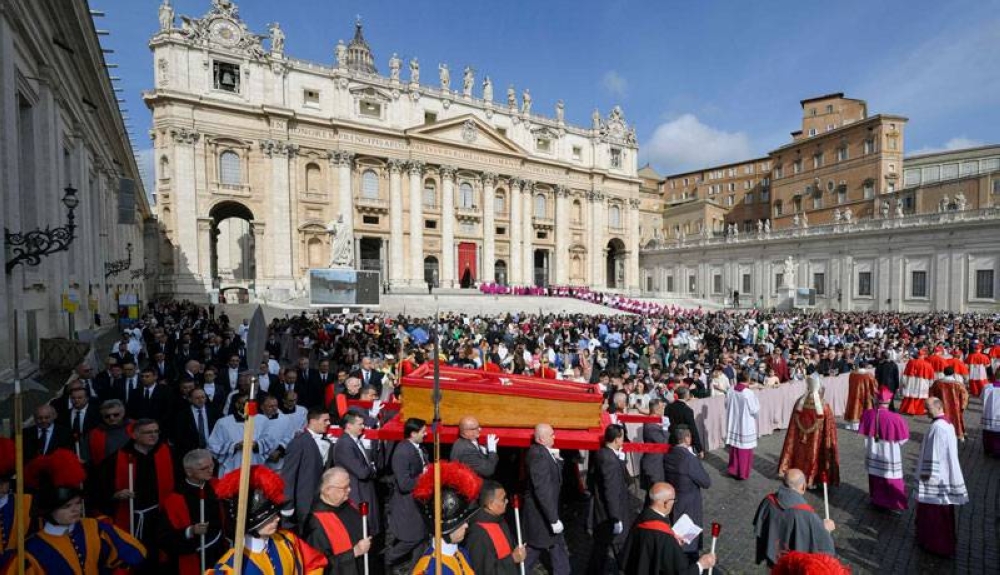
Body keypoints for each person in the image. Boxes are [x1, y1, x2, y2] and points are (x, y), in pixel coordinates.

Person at [14, 449, 146, 574]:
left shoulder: (95, 527)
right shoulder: (31, 550)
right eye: (67, 506)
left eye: (78, 503)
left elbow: (134, 551)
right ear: (48, 510)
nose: (76, 509)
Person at [208, 465, 327, 574]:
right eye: (269, 518)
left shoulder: (287, 539)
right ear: (252, 524)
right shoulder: (229, 567)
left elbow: (314, 564)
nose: (277, 519)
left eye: (275, 514)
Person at [98, 418, 175, 574]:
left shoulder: (166, 453)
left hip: (159, 516)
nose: (153, 436)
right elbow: (99, 487)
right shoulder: (118, 458)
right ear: (134, 435)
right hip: (132, 517)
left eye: (156, 431)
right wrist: (116, 494)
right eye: (148, 432)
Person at [620, 482, 717, 574]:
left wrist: (673, 541)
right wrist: (701, 565)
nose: (674, 503)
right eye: (674, 500)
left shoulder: (643, 516)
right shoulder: (665, 538)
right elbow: (680, 572)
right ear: (665, 503)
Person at [915, 397, 969, 557]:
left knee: (935, 515)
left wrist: (927, 477)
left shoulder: (938, 428)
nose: (925, 412)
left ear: (938, 407)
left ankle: (936, 544)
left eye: (928, 409)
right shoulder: (947, 423)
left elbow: (935, 455)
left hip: (936, 478)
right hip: (944, 476)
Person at [159, 449, 226, 574]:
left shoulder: (217, 485)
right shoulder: (175, 499)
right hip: (194, 555)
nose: (210, 470)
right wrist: (191, 531)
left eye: (211, 465)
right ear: (189, 472)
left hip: (219, 550)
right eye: (203, 468)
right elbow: (165, 537)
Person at [753, 469, 836, 566]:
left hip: (773, 563)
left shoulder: (767, 501)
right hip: (793, 566)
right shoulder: (807, 514)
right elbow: (820, 544)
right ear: (803, 487)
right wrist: (825, 528)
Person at [410, 461, 481, 574]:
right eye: (460, 523)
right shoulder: (429, 568)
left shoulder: (461, 553)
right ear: (446, 529)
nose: (466, 525)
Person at [301, 467, 371, 575]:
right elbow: (320, 564)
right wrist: (354, 552)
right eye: (344, 487)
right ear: (328, 490)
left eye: (349, 485)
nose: (349, 490)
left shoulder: (346, 504)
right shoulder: (315, 523)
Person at [586, 424, 636, 575]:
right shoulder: (610, 461)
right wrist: (616, 518)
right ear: (616, 439)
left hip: (603, 514)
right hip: (612, 514)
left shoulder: (602, 454)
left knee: (600, 550)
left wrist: (620, 460)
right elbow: (612, 492)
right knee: (619, 548)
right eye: (622, 437)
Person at [522, 423, 571, 575]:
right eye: (551, 435)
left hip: (545, 512)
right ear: (542, 439)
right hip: (541, 514)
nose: (554, 436)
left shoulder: (542, 452)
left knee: (554, 545)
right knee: (535, 548)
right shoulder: (538, 456)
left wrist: (558, 461)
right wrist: (553, 519)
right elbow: (542, 490)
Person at [777, 373, 839, 489]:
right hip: (816, 439)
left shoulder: (799, 402)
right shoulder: (823, 406)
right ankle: (813, 479)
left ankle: (797, 476)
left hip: (800, 438)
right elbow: (829, 429)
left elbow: (792, 427)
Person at [385, 418, 429, 574]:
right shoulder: (402, 451)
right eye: (423, 431)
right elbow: (404, 484)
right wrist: (424, 476)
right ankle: (388, 560)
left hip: (418, 504)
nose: (426, 434)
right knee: (412, 539)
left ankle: (415, 570)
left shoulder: (418, 448)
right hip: (407, 505)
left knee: (421, 540)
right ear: (413, 433)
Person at [663, 426, 711, 559]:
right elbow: (706, 482)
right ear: (687, 439)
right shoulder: (689, 459)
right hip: (689, 505)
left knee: (676, 536)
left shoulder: (669, 454)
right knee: (689, 544)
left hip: (674, 501)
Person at [281, 407, 334, 528]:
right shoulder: (298, 443)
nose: (329, 423)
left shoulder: (328, 442)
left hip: (323, 503)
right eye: (325, 420)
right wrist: (287, 506)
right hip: (303, 505)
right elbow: (288, 477)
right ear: (313, 421)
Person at [858, 388, 909, 510]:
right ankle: (894, 503)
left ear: (876, 400)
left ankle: (877, 500)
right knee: (891, 479)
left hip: (873, 452)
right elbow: (903, 440)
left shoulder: (867, 414)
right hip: (890, 455)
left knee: (876, 477)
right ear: (889, 400)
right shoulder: (896, 418)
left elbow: (864, 432)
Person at [332, 411, 381, 537]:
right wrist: (372, 468)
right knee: (361, 532)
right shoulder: (345, 444)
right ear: (349, 426)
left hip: (364, 492)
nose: (363, 427)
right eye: (360, 424)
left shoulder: (354, 442)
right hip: (357, 494)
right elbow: (362, 472)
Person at [465, 480, 527, 574]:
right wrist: (512, 559)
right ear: (490, 505)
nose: (507, 501)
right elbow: (485, 571)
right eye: (503, 499)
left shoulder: (499, 519)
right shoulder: (478, 535)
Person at [208, 394, 271, 476]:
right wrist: (235, 446)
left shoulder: (262, 420)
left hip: (254, 463)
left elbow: (270, 441)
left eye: (251, 402)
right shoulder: (223, 423)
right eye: (245, 403)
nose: (249, 405)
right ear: (237, 404)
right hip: (232, 466)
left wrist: (256, 444)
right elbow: (213, 445)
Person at [724, 371, 759, 480]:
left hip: (734, 423)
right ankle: (742, 473)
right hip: (745, 425)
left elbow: (726, 405)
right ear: (748, 379)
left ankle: (733, 469)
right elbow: (754, 409)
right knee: (744, 449)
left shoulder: (730, 390)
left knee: (735, 447)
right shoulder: (748, 393)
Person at [929, 366, 970, 441]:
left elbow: (931, 394)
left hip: (941, 407)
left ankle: (940, 435)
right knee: (957, 421)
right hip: (955, 407)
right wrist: (963, 406)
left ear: (944, 373)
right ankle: (958, 435)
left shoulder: (937, 383)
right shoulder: (958, 384)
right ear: (953, 373)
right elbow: (964, 396)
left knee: (940, 421)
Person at [639, 399, 670, 489]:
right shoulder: (651, 425)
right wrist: (665, 429)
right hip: (654, 465)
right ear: (656, 410)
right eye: (662, 407)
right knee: (656, 493)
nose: (664, 409)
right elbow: (664, 443)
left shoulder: (654, 421)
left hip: (657, 462)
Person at [665, 386, 703, 456]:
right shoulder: (687, 410)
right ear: (687, 395)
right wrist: (699, 449)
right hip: (684, 441)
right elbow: (693, 429)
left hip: (671, 439)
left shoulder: (668, 407)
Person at [843, 362, 878, 431]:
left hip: (853, 394)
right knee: (866, 409)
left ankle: (850, 425)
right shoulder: (869, 375)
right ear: (866, 366)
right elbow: (874, 386)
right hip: (865, 395)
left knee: (853, 408)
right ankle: (864, 424)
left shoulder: (852, 374)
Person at [899, 349, 935, 415]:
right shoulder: (928, 365)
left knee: (910, 396)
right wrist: (930, 384)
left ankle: (907, 409)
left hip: (911, 382)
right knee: (919, 397)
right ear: (924, 355)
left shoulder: (911, 362)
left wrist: (904, 382)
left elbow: (905, 374)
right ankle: (917, 410)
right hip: (922, 383)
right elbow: (931, 377)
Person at [983, 375, 1000, 457]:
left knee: (988, 431)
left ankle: (988, 449)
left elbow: (981, 397)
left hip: (989, 413)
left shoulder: (987, 387)